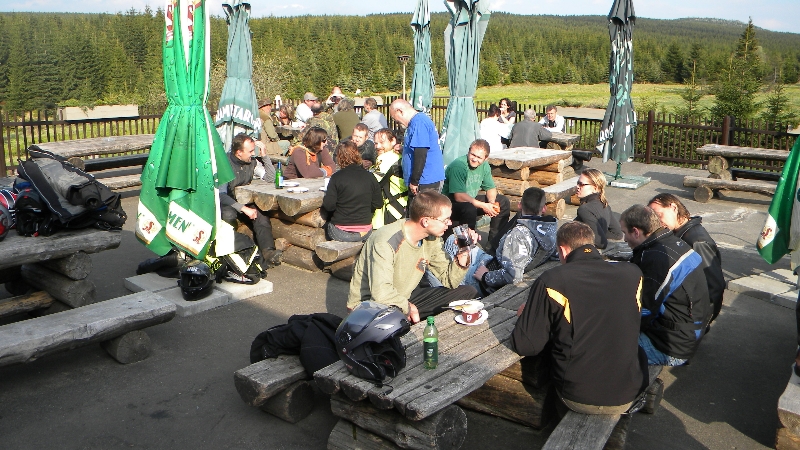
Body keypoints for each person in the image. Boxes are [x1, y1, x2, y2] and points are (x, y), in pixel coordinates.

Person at [512, 221, 648, 417]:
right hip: (630, 389)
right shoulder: (633, 274)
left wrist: (526, 316)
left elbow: (526, 345)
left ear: (563, 250)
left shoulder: (552, 280)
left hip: (579, 395)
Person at [347, 191, 479, 323]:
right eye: (445, 220)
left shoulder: (432, 238)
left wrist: (464, 251)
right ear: (425, 221)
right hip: (370, 307)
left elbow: (450, 280)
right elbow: (381, 294)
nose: (449, 223)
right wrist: (408, 307)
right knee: (400, 321)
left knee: (468, 293)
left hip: (404, 297)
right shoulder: (386, 242)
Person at [620, 204, 711, 366]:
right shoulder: (673, 242)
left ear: (636, 231)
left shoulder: (656, 259)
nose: (624, 239)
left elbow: (644, 309)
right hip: (689, 331)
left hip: (672, 345)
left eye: (624, 233)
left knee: (604, 346)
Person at [451, 187, 557, 295]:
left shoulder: (518, 235)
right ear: (544, 208)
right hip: (494, 264)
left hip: (487, 283)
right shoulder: (551, 229)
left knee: (452, 242)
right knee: (459, 243)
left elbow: (513, 275)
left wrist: (485, 276)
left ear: (519, 205)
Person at [648, 193, 725, 324]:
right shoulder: (679, 234)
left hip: (691, 321)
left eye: (659, 215)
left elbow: (714, 287)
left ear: (673, 207)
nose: (658, 222)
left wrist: (701, 322)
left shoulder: (697, 242)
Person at [219, 133, 282, 267]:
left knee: (261, 214)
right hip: (227, 202)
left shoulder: (252, 162)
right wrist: (243, 208)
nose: (253, 154)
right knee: (228, 215)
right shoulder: (224, 164)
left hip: (244, 199)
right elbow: (221, 195)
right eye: (250, 151)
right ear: (239, 153)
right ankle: (230, 252)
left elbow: (270, 178)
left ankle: (268, 252)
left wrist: (264, 156)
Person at [442, 139, 511, 253]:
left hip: (470, 200)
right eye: (472, 155)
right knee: (469, 208)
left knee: (502, 201)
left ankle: (493, 245)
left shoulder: (485, 166)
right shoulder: (459, 166)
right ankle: (466, 248)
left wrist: (491, 203)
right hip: (450, 204)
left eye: (479, 157)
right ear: (468, 152)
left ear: (485, 158)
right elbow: (458, 196)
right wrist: (483, 205)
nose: (474, 159)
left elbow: (490, 188)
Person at [322, 141, 382, 242]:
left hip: (340, 232)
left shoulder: (336, 177)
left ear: (339, 157)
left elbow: (329, 206)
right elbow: (378, 203)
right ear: (357, 155)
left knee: (325, 226)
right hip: (365, 232)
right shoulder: (370, 177)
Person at [389, 98, 445, 197]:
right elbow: (417, 147)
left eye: (395, 118)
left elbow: (421, 153)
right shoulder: (414, 123)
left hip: (426, 181)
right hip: (423, 180)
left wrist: (415, 181)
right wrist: (404, 149)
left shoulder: (419, 123)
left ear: (400, 111)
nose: (396, 122)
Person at [574, 168, 623, 249]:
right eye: (577, 183)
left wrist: (597, 236)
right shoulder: (604, 205)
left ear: (595, 188)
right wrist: (601, 232)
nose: (577, 187)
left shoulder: (584, 209)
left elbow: (601, 243)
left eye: (581, 184)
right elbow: (617, 234)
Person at [372, 128, 407, 228]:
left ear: (393, 141)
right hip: (402, 206)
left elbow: (372, 182)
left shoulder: (387, 157)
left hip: (392, 209)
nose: (378, 146)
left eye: (382, 142)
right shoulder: (400, 155)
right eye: (376, 143)